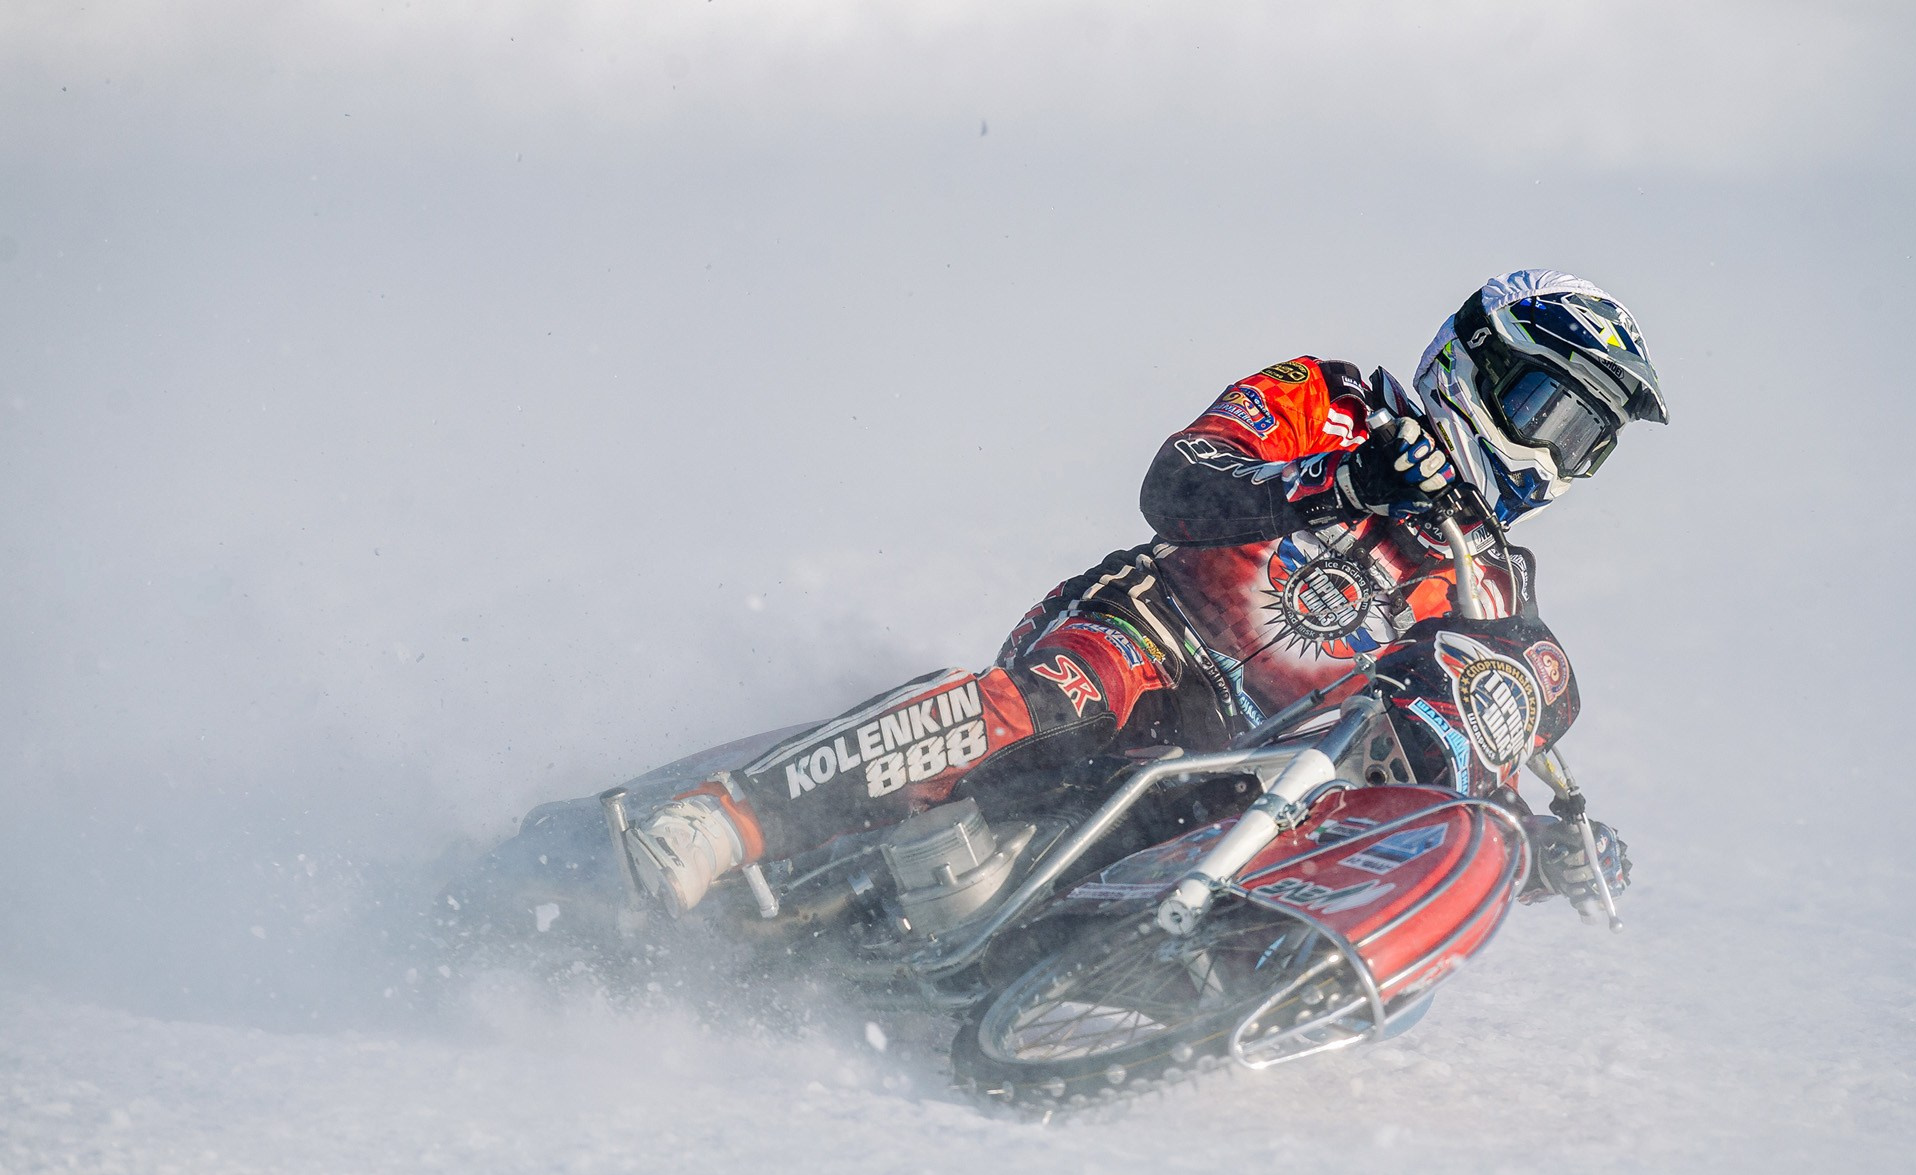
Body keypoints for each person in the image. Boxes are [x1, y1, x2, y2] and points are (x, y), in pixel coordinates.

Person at [632, 269, 1667, 916]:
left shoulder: (1489, 584)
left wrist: (1539, 850)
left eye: (1585, 441)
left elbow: (1449, 762)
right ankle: (718, 819)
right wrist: (1342, 480)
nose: (1552, 456)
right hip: (1150, 636)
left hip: (1258, 772)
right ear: (1475, 364)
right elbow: (1176, 485)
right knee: (1061, 692)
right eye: (1545, 410)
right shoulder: (1334, 400)